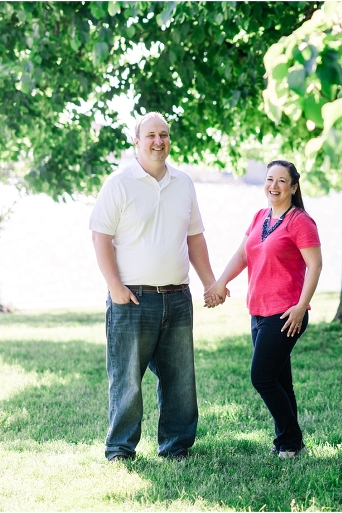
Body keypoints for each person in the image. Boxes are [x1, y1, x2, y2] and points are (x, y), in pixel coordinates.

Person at [89, 112, 224, 463]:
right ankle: (120, 450)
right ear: (137, 141)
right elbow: (100, 236)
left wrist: (209, 282)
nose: (158, 141)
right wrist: (115, 286)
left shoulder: (183, 182)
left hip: (178, 297)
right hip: (133, 298)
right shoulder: (119, 183)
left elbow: (195, 237)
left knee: (180, 380)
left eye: (163, 134)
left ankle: (176, 446)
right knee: (127, 380)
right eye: (150, 135)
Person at [204, 159, 322, 458]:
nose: (274, 185)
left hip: (285, 314)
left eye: (282, 180)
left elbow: (315, 265)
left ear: (293, 187)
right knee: (281, 380)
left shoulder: (301, 222)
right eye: (270, 179)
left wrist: (301, 307)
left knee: (262, 378)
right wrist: (220, 283)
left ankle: (290, 439)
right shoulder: (260, 216)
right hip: (258, 311)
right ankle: (288, 444)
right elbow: (243, 255)